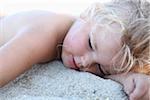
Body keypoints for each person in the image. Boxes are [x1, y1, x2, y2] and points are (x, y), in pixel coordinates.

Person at [0, 0, 149, 99]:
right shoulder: (44, 33)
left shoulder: (90, 33)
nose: (85, 63)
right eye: (90, 44)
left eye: (100, 68)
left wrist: (127, 78)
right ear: (87, 13)